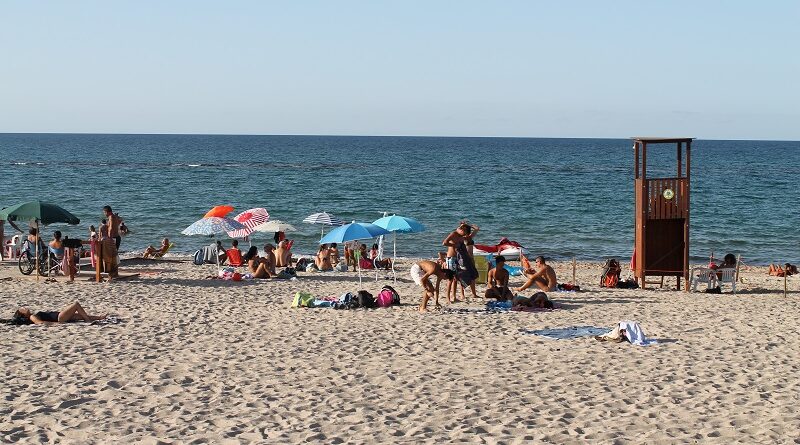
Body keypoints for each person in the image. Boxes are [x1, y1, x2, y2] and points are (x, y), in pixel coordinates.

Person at [12, 301, 107, 325]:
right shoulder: (32, 317)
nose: (25, 308)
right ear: (23, 315)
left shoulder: (33, 314)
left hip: (59, 316)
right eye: (23, 309)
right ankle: (88, 321)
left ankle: (99, 317)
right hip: (58, 318)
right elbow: (40, 323)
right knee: (76, 304)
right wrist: (55, 324)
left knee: (79, 316)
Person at [101, 206, 120, 279]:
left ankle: (112, 274)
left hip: (113, 238)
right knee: (114, 256)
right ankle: (115, 273)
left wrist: (109, 238)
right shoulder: (115, 216)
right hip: (117, 237)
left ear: (107, 211)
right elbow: (119, 221)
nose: (104, 214)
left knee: (111, 257)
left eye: (104, 212)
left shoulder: (111, 217)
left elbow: (111, 228)